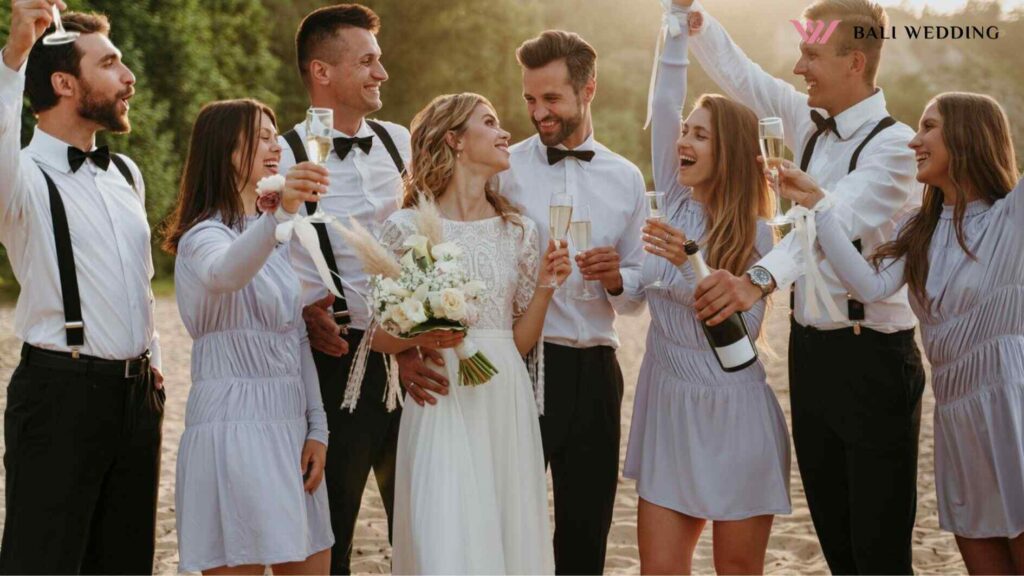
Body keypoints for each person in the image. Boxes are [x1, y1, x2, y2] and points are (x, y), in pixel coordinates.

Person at [683, 1, 925, 572]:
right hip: (810, 354)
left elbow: (829, 219)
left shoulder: (896, 149)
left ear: (855, 61)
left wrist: (757, 280)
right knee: (837, 543)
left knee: (879, 549)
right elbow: (745, 77)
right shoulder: (806, 124)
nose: (799, 68)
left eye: (812, 55)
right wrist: (697, 21)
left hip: (872, 359)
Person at [776, 92, 1024, 575]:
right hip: (956, 415)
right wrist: (819, 205)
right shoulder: (920, 228)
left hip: (1012, 407)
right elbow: (867, 284)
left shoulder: (1012, 217)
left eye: (929, 128)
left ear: (967, 136)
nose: (914, 140)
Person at [622, 4, 790, 574]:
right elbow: (664, 103)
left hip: (733, 412)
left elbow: (736, 339)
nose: (683, 141)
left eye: (700, 135)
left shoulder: (761, 235)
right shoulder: (672, 196)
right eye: (685, 133)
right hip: (669, 405)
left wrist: (692, 262)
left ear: (731, 153)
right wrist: (673, 29)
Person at [0, 3, 164, 572]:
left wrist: (156, 367)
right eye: (111, 64)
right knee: (40, 562)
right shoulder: (18, 177)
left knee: (124, 563)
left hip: (137, 398)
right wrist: (16, 51)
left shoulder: (126, 174)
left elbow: (139, 281)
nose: (128, 77)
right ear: (65, 83)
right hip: (59, 397)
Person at [384, 92, 568, 574]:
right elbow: (379, 338)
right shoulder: (407, 228)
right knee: (440, 536)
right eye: (489, 122)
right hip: (440, 397)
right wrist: (424, 335)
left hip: (503, 396)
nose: (505, 132)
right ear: (454, 140)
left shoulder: (519, 231)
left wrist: (547, 286)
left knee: (507, 536)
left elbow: (516, 341)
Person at [496, 29, 647, 574]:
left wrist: (616, 281)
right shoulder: (503, 170)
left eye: (551, 98)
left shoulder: (626, 178)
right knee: (512, 524)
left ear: (589, 90)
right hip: (524, 366)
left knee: (587, 529)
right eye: (531, 99)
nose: (539, 112)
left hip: (597, 370)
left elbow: (636, 298)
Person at [163, 99, 333, 574]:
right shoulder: (203, 236)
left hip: (288, 424)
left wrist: (317, 428)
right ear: (225, 151)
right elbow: (225, 273)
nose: (275, 145)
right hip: (232, 426)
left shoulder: (276, 234)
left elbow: (295, 335)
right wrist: (278, 218)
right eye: (260, 136)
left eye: (275, 134)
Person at [277, 5, 415, 573]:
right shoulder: (283, 152)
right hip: (333, 363)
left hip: (411, 362)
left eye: (379, 61)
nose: (382, 73)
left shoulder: (400, 142)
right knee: (329, 529)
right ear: (322, 72)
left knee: (417, 520)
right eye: (367, 61)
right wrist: (301, 307)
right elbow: (259, 254)